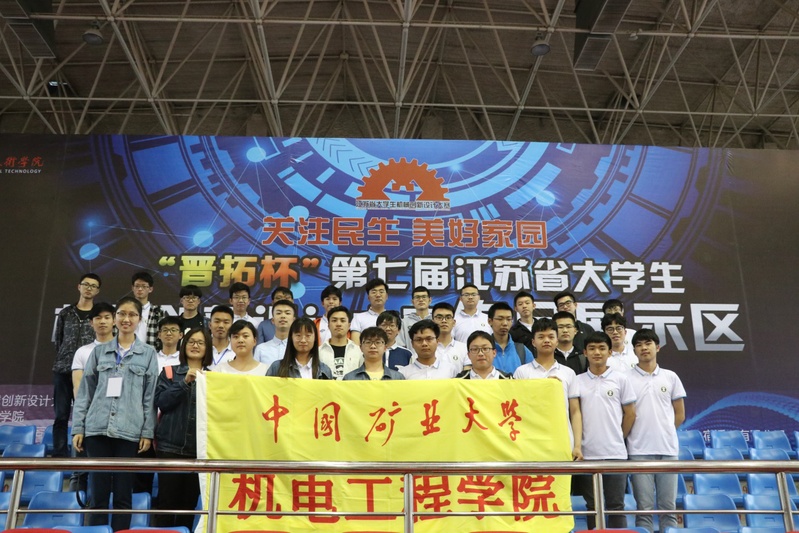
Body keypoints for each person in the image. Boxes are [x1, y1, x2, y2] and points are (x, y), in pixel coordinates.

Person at [72, 296, 158, 532]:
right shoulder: (99, 352)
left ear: (139, 319)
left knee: (123, 494)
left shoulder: (148, 353)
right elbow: (85, 393)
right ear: (115, 318)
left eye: (132, 314)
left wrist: (147, 432)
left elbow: (150, 396)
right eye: (121, 314)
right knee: (98, 494)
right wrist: (78, 427)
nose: (126, 319)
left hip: (129, 430)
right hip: (96, 428)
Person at [626, 329, 686, 533]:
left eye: (648, 343)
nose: (644, 348)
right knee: (643, 509)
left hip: (667, 450)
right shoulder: (625, 378)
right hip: (638, 451)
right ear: (634, 350)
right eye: (639, 345)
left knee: (668, 508)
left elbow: (680, 414)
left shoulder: (671, 377)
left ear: (657, 347)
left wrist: (665, 430)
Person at [153, 326, 213, 530]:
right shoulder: (169, 372)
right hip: (169, 448)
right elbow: (162, 402)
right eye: (191, 342)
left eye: (201, 342)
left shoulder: (213, 378)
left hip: (198, 452)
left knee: (188, 507)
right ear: (184, 345)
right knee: (166, 504)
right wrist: (185, 382)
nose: (195, 346)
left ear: (207, 348)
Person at [575, 331, 636, 530]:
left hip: (615, 454)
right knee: (592, 507)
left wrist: (619, 436)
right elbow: (574, 414)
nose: (597, 352)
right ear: (585, 352)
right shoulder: (577, 380)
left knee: (615, 506)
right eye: (592, 348)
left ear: (610, 352)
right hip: (587, 455)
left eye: (602, 348)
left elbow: (630, 414)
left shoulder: (621, 379)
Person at [513, 319, 583, 461]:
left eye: (551, 337)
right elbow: (517, 408)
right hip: (530, 441)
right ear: (533, 342)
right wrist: (543, 387)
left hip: (562, 440)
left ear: (557, 341)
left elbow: (575, 412)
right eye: (541, 337)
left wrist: (577, 446)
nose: (546, 340)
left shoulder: (568, 373)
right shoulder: (521, 372)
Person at [52, 273, 101, 458]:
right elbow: (59, 340)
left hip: (88, 372)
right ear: (79, 286)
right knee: (61, 415)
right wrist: (65, 358)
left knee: (87, 415)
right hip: (63, 370)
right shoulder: (65, 313)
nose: (89, 288)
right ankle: (59, 456)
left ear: (97, 291)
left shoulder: (98, 315)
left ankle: (84, 456)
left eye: (93, 286)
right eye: (86, 284)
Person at [70, 301, 114, 493]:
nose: (102, 321)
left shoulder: (123, 351)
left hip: (114, 421)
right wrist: (82, 422)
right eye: (98, 318)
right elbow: (79, 389)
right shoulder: (83, 352)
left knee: (111, 472)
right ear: (91, 323)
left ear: (114, 321)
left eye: (107, 317)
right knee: (80, 471)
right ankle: (75, 508)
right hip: (88, 420)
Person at [266, 318, 333, 379]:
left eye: (308, 335)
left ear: (315, 338)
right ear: (291, 337)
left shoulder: (324, 370)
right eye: (298, 335)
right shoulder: (277, 367)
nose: (303, 340)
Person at [487, 302, 533, 375]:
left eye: (508, 319)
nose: (505, 323)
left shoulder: (522, 350)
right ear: (490, 321)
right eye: (500, 319)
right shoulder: (483, 350)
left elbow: (532, 376)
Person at [318, 306, 363, 379]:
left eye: (342, 320)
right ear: (328, 325)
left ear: (349, 326)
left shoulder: (358, 351)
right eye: (334, 320)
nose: (338, 324)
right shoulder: (319, 352)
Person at [254, 300, 297, 367]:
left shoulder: (298, 349)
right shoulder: (261, 349)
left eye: (287, 313)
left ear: (293, 320)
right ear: (273, 320)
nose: (283, 316)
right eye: (279, 313)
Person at [131, 271, 167, 349]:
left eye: (144, 286)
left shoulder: (158, 312)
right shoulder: (125, 310)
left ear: (150, 289)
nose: (140, 289)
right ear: (132, 288)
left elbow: (163, 335)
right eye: (137, 286)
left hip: (150, 351)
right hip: (126, 352)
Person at [431, 302, 469, 372]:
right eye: (439, 317)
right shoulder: (426, 347)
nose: (444, 321)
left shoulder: (464, 348)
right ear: (432, 322)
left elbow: (467, 374)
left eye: (448, 317)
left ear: (454, 322)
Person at [350, 278, 389, 344]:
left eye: (381, 292)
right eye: (374, 292)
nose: (378, 295)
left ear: (387, 296)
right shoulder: (359, 318)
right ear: (368, 297)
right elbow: (355, 345)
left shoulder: (393, 318)